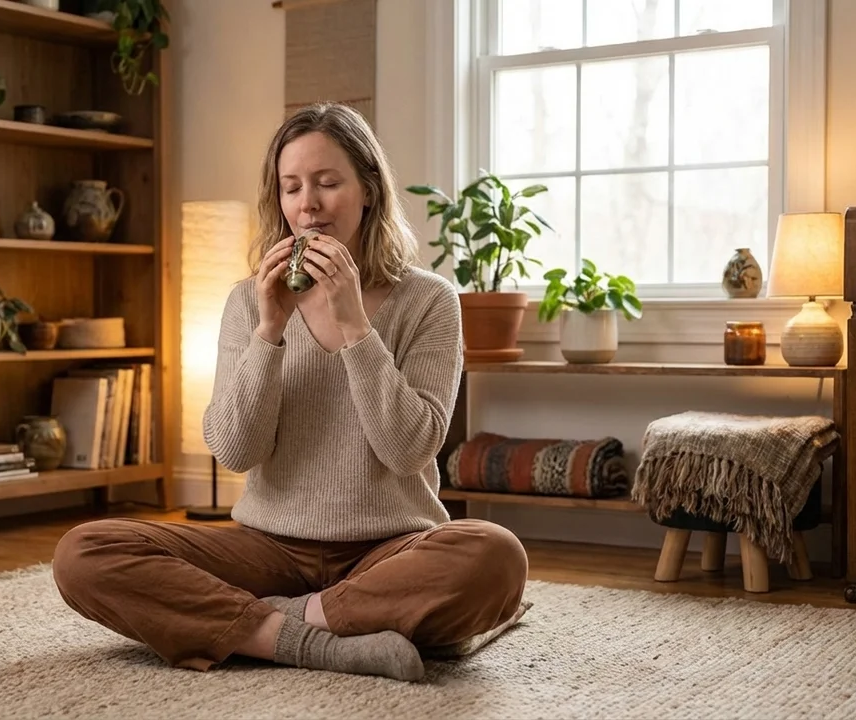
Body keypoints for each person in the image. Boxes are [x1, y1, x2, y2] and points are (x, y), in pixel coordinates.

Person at [52, 102, 529, 683]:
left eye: (328, 183)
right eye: (292, 187)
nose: (309, 204)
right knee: (83, 553)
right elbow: (234, 450)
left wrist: (355, 327)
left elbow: (409, 450)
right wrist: (268, 332)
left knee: (495, 556)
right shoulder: (247, 301)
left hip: (391, 548)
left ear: (369, 190)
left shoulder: (429, 300)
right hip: (267, 550)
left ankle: (272, 624)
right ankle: (313, 639)